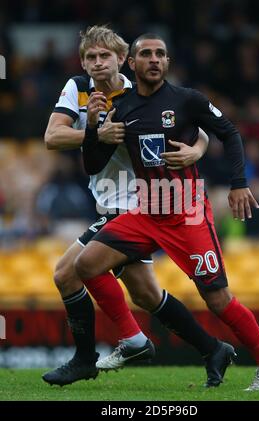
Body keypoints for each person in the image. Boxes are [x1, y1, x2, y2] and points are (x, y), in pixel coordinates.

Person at [78, 33, 259, 391]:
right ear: (133, 63)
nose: (154, 59)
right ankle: (133, 340)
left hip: (186, 213)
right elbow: (92, 164)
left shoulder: (188, 100)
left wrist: (239, 183)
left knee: (218, 299)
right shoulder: (122, 106)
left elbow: (230, 133)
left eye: (161, 54)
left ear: (168, 62)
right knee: (86, 265)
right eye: (146, 54)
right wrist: (94, 130)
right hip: (146, 211)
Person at [42, 26, 235, 387]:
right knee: (146, 294)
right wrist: (94, 133)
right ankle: (212, 349)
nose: (97, 64)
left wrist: (197, 150)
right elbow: (52, 137)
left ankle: (96, 355)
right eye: (90, 58)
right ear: (83, 62)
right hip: (107, 201)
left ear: (122, 60)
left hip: (139, 203)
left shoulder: (140, 90)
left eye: (105, 56)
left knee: (67, 273)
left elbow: (199, 124)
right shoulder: (78, 88)